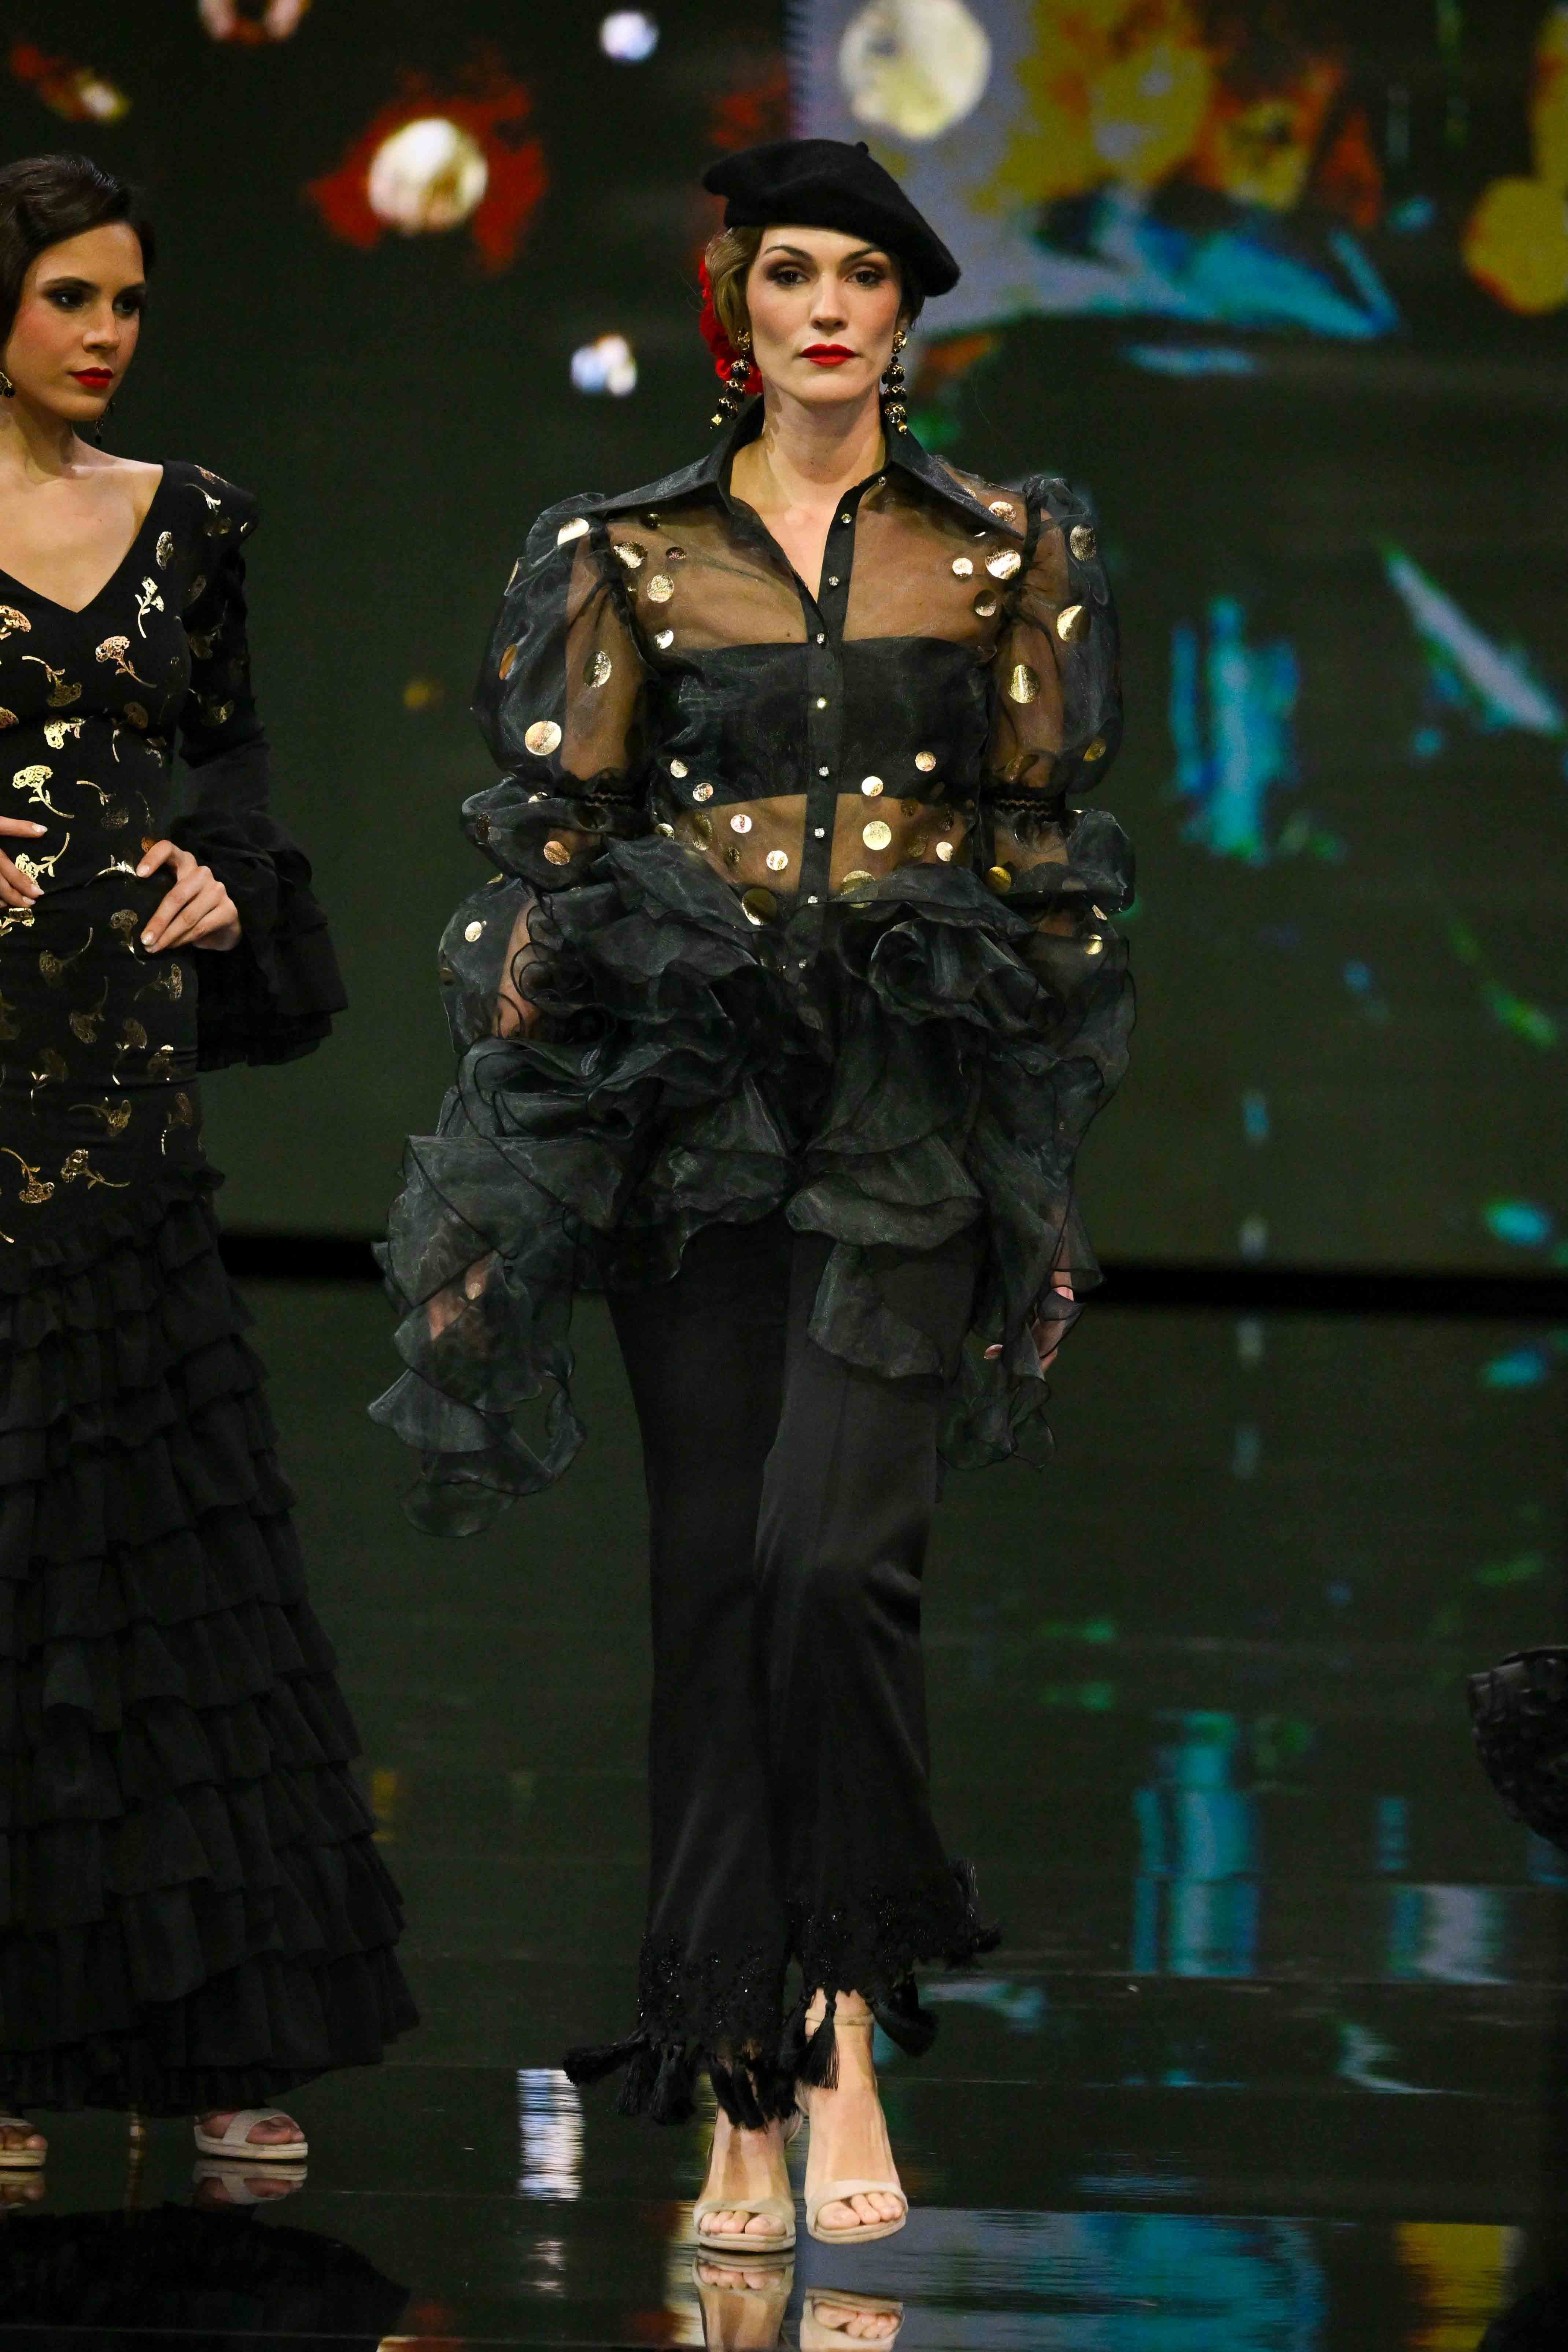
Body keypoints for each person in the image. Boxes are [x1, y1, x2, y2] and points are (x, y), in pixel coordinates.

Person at [375, 137, 1131, 2251]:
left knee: (831, 1565)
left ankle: (841, 2015)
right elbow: (559, 841)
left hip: (906, 1100)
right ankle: (733, 2072)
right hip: (684, 1106)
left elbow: (1045, 857)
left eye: (858, 277)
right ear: (742, 303)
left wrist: (1035, 1161)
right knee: (712, 1586)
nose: (821, 308)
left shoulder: (1008, 551)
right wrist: (502, 1145)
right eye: (787, 272)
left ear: (906, 315)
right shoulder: (625, 551)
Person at [0, 152, 417, 2172]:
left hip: (119, 1065)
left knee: (162, 1556)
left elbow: (233, 756)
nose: (107, 334)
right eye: (70, 295)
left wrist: (223, 874)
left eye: (129, 302)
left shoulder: (192, 521)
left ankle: (217, 2034)